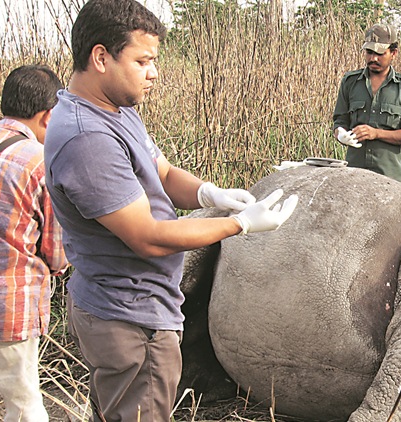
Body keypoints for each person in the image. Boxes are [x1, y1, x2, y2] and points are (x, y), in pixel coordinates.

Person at [43, 0, 298, 420]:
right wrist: (238, 225)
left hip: (139, 307)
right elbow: (147, 237)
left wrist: (209, 194)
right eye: (143, 60)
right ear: (101, 57)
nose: (154, 73)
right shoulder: (87, 138)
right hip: (128, 319)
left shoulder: (117, 109)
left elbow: (160, 171)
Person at [0, 65, 68, 422]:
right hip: (9, 308)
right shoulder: (39, 162)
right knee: (25, 408)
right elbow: (56, 255)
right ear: (48, 115)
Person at [332, 23, 401, 183]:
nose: (373, 58)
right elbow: (339, 122)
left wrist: (376, 133)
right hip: (354, 175)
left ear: (393, 53)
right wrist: (341, 134)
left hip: (389, 179)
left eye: (380, 53)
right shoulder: (350, 82)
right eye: (369, 52)